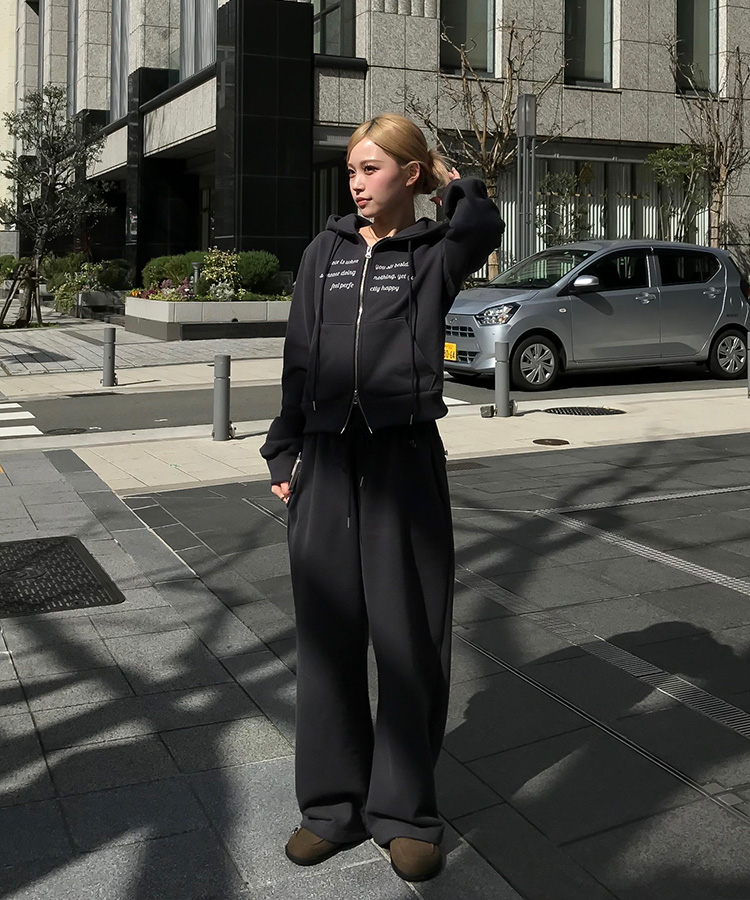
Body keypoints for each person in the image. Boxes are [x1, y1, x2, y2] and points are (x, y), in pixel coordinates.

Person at [260, 113, 504, 883]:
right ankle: (332, 807)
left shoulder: (435, 252)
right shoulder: (324, 251)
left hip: (405, 462)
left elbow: (483, 222)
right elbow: (301, 355)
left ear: (408, 173)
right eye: (351, 171)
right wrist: (284, 447)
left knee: (408, 640)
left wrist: (450, 175)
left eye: (371, 169)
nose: (356, 184)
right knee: (327, 641)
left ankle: (404, 813)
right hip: (327, 462)